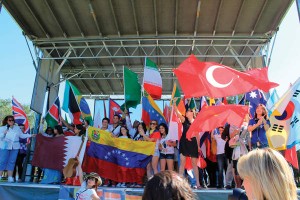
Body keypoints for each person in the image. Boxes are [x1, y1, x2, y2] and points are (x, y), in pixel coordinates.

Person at [0, 116, 35, 182]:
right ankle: (0, 175)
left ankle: (10, 177)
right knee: (2, 161)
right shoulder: (2, 128)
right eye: (9, 120)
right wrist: (3, 133)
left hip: (15, 147)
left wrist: (30, 135)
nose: (11, 121)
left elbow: (21, 135)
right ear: (6, 121)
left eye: (12, 120)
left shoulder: (17, 128)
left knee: (12, 161)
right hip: (5, 146)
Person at [174, 105, 201, 189]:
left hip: (193, 143)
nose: (186, 113)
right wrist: (174, 104)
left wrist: (199, 146)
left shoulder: (196, 122)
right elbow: (178, 113)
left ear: (192, 112)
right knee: (182, 162)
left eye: (187, 111)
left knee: (194, 163)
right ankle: (180, 183)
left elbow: (197, 135)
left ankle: (198, 183)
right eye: (186, 112)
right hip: (184, 143)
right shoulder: (184, 120)